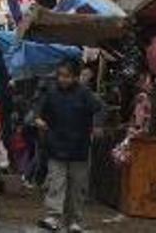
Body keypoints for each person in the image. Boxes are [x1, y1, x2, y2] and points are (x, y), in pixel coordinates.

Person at [35, 62, 104, 232]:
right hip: (55, 144)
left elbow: (99, 109)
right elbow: (39, 112)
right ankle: (53, 216)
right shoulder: (51, 92)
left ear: (75, 77)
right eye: (60, 76)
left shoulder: (85, 94)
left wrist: (97, 126)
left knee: (76, 186)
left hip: (79, 146)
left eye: (67, 76)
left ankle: (74, 219)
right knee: (56, 183)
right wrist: (39, 121)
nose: (63, 79)